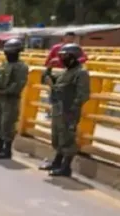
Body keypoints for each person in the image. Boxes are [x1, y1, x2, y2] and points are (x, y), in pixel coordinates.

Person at [40, 44, 90, 177]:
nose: (62, 59)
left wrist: (73, 108)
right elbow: (48, 81)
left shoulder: (81, 73)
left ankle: (66, 167)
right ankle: (57, 162)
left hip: (68, 110)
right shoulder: (65, 72)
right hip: (58, 108)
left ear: (74, 58)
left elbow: (83, 94)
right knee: (57, 136)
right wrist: (49, 68)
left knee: (67, 138)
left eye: (65, 56)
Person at [0, 38, 28, 160]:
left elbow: (18, 84)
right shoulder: (3, 65)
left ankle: (7, 149)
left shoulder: (21, 67)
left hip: (10, 99)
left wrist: (5, 91)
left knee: (7, 124)